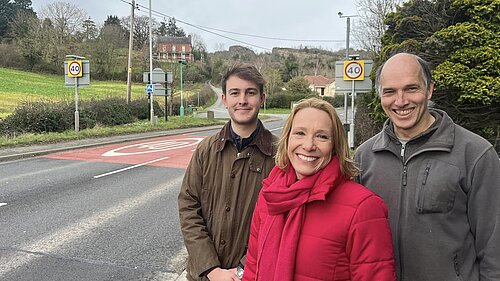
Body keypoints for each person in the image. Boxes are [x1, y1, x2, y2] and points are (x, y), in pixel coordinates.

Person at [354, 53, 500, 281]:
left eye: (411, 88)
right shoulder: (364, 157)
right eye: (390, 91)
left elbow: (494, 247)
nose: (400, 101)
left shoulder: (475, 154)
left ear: (430, 89)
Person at [243, 98, 396, 281]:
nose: (308, 146)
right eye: (300, 133)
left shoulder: (364, 207)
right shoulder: (270, 195)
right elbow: (253, 269)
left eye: (322, 136)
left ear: (335, 146)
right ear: (287, 139)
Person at [178, 63, 277, 281]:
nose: (242, 100)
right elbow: (188, 207)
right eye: (235, 93)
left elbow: (278, 223)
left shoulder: (280, 155)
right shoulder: (206, 149)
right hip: (204, 276)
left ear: (262, 98)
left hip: (254, 275)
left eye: (250, 93)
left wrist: (242, 271)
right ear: (224, 99)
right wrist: (211, 269)